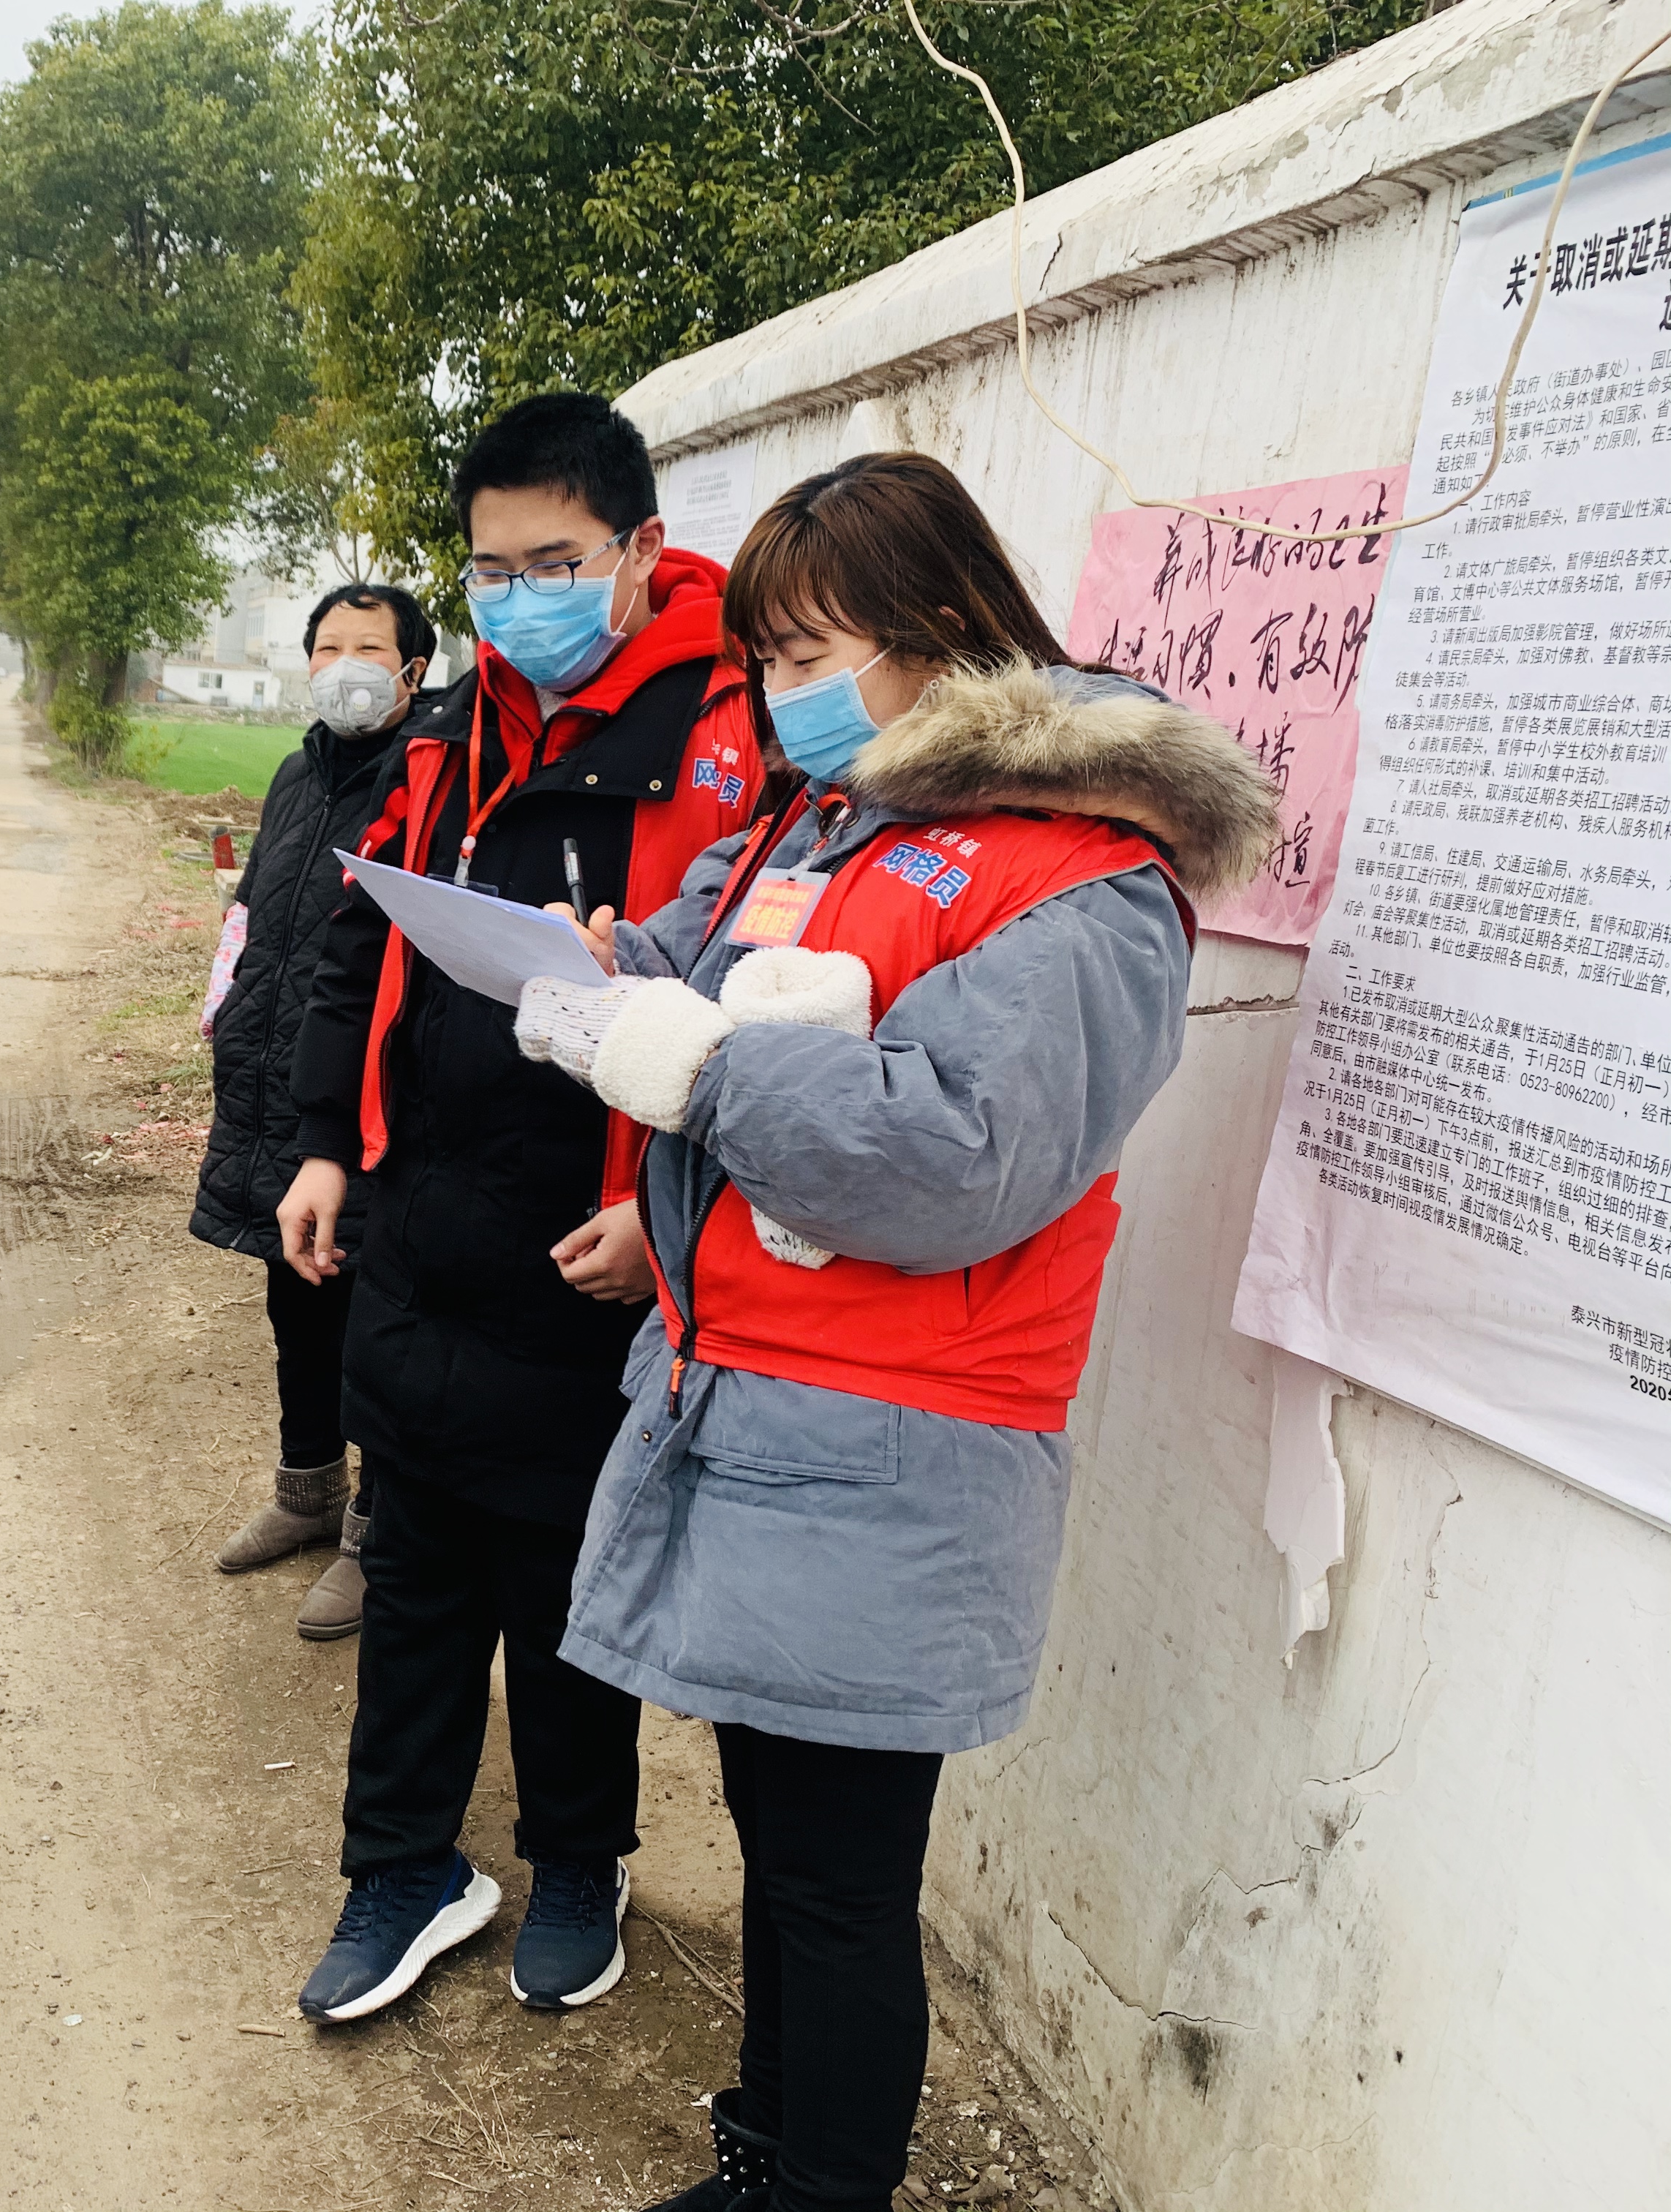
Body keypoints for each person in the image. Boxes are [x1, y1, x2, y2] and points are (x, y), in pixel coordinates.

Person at [508, 451, 1278, 2212]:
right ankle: (768, 2154)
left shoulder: (1087, 880)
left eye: (808, 652)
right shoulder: (826, 822)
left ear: (941, 631)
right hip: (743, 1400)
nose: (781, 696)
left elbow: (956, 1160)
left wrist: (694, 1063)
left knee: (845, 1882)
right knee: (783, 1854)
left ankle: (823, 2184)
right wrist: (594, 965)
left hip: (898, 1446)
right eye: (763, 658)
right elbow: (691, 963)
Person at [281, 391, 766, 2023]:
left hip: (589, 1233)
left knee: (566, 1586)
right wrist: (328, 1144)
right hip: (424, 1216)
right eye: (488, 570)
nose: (515, 598)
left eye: (551, 562)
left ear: (636, 550)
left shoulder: (728, 727)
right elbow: (365, 941)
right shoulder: (459, 729)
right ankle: (403, 1869)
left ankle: (578, 1861)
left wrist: (662, 1214)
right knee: (414, 1559)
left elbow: (754, 994)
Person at [192, 582, 438, 1640]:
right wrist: (229, 1011)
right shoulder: (297, 774)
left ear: (413, 672)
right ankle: (307, 1494)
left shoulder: (430, 781)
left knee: (370, 1319)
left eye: (367, 648)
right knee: (292, 1301)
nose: (344, 664)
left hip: (371, 1109)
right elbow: (254, 910)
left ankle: (374, 1533)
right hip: (275, 1087)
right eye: (326, 646)